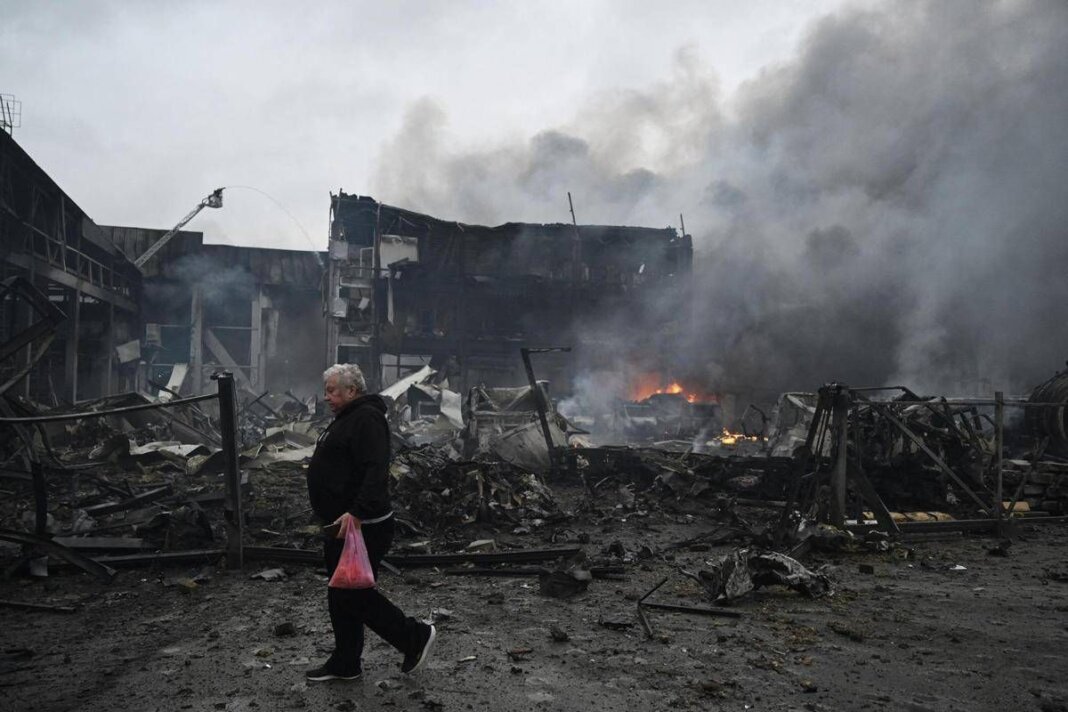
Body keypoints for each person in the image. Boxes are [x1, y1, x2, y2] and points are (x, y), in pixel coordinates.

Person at [304, 363, 436, 681]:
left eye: (332, 391)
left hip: (363, 525)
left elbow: (376, 470)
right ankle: (346, 662)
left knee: (353, 595)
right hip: (343, 524)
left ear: (352, 390)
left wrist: (357, 512)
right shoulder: (348, 418)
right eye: (326, 391)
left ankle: (414, 637)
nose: (326, 397)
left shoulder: (367, 419)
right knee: (341, 595)